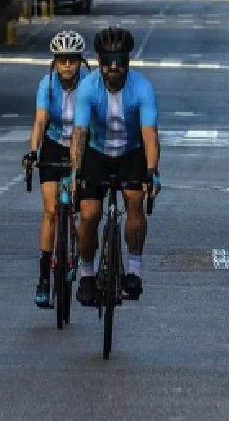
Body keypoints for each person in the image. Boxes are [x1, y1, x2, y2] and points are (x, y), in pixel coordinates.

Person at [68, 26, 161, 306]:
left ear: (128, 62)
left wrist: (151, 172)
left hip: (132, 151)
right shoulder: (87, 88)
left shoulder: (142, 87)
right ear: (98, 62)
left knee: (134, 199)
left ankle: (133, 269)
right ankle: (86, 274)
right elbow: (80, 134)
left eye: (119, 61)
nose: (113, 68)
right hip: (97, 152)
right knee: (89, 212)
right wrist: (75, 172)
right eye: (107, 62)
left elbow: (149, 135)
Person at [22, 31, 88, 308]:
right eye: (62, 60)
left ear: (80, 61)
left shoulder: (90, 83)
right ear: (55, 62)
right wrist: (33, 151)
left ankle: (85, 266)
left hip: (84, 144)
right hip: (53, 144)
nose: (67, 66)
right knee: (50, 211)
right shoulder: (47, 84)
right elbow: (40, 121)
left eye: (72, 60)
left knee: (85, 211)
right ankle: (43, 278)